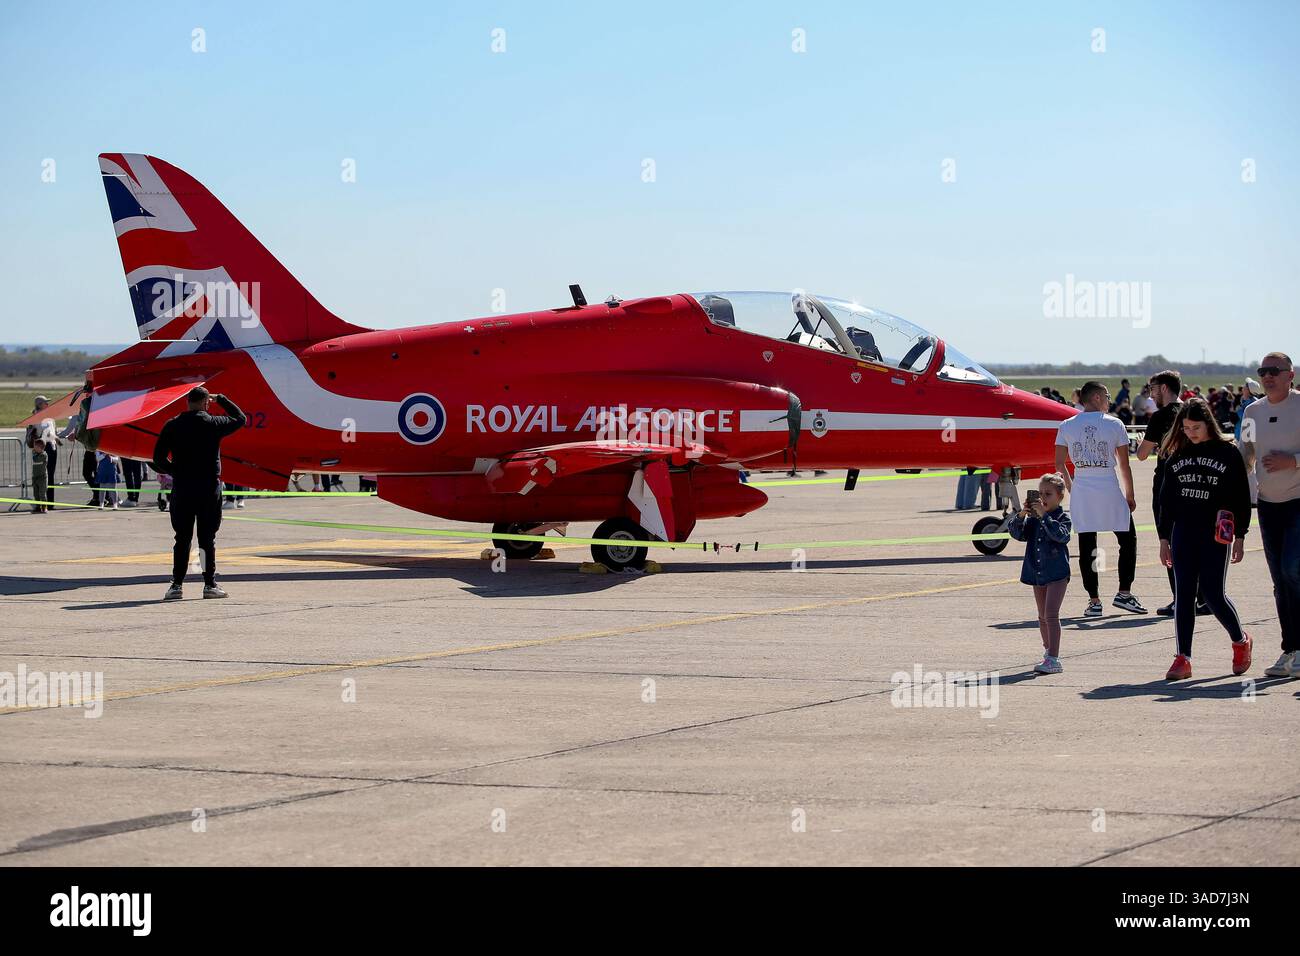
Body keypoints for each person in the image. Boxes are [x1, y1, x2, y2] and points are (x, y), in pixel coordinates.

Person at [1157, 399, 1253, 680]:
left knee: (1212, 594)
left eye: (1196, 427)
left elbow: (1240, 497)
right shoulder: (1176, 454)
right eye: (1186, 428)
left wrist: (1241, 535)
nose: (1190, 433)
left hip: (1216, 532)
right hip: (1183, 530)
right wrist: (1164, 538)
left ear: (1208, 424)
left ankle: (1240, 641)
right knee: (1184, 593)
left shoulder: (1228, 453)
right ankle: (1183, 658)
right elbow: (1166, 501)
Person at [1055, 381, 1146, 616]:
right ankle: (1124, 593)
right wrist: (1130, 495)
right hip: (1108, 486)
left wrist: (1073, 488)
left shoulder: (1066, 425)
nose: (1109, 400)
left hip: (1083, 488)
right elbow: (1124, 465)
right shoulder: (1114, 424)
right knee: (1128, 541)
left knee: (1088, 546)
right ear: (1096, 398)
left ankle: (1094, 601)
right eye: (1106, 396)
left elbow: (1059, 464)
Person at [151, 387, 246, 601]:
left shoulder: (173, 425)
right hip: (207, 489)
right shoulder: (213, 424)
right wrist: (222, 398)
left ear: (187, 402)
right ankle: (209, 584)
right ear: (206, 403)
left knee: (182, 539)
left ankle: (176, 585)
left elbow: (157, 459)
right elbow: (240, 418)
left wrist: (175, 471)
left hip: (183, 488)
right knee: (206, 539)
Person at [1241, 352, 1300, 678]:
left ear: (1290, 375)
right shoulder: (1253, 411)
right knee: (1280, 581)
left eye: (1274, 371)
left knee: (1293, 571)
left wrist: (1294, 462)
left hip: (1297, 501)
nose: (1267, 376)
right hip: (1267, 504)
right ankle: (1290, 650)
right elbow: (1245, 455)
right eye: (1263, 371)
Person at [1137, 370, 1207, 618]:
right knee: (1196, 541)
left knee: (1170, 543)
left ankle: (1181, 599)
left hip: (1169, 484)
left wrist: (1143, 442)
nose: (1151, 393)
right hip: (1196, 484)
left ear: (1164, 388)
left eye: (1153, 388)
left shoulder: (1160, 417)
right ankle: (1204, 597)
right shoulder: (1192, 412)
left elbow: (1142, 454)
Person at [1007, 473, 1072, 674]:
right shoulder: (1034, 519)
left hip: (1057, 572)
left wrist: (1044, 516)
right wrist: (1021, 515)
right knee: (1042, 615)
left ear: (1060, 497)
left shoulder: (1062, 517)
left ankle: (1054, 658)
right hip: (1037, 571)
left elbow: (1062, 536)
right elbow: (1018, 534)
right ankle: (1047, 652)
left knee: (1051, 614)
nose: (1043, 497)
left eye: (1048, 494)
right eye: (1040, 493)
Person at [30, 439, 49, 514]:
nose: (34, 448)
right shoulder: (34, 453)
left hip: (42, 477)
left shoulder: (44, 455)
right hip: (35, 477)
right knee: (36, 494)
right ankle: (38, 507)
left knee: (42, 493)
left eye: (35, 446)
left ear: (40, 448)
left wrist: (34, 452)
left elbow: (36, 458)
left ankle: (44, 507)